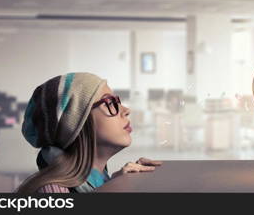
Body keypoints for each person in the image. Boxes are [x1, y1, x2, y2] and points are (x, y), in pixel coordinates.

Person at [15, 72, 162, 193]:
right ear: (78, 123)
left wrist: (116, 184)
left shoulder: (101, 181)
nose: (126, 110)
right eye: (110, 103)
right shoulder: (53, 191)